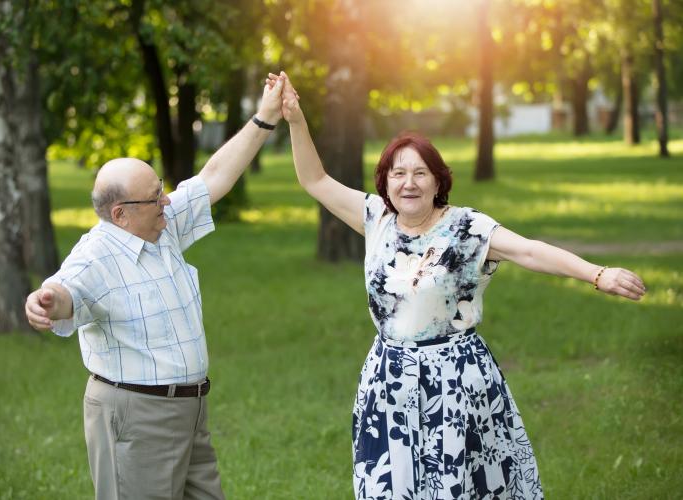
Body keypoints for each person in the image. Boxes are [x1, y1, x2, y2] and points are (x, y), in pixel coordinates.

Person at [269, 72, 646, 499]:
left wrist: (597, 274)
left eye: (420, 173)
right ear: (385, 181)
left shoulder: (466, 228)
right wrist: (296, 120)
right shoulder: (376, 219)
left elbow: (530, 251)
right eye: (398, 173)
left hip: (455, 383)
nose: (408, 183)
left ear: (437, 181)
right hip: (388, 381)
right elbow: (315, 181)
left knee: (459, 487)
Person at [24, 75, 286, 499]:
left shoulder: (159, 227)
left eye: (162, 189)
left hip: (190, 412)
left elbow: (214, 176)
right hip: (137, 417)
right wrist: (44, 303)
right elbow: (64, 292)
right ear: (121, 213)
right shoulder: (96, 256)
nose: (166, 200)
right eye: (155, 196)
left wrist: (266, 116)